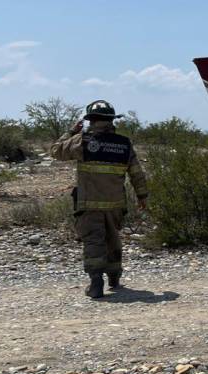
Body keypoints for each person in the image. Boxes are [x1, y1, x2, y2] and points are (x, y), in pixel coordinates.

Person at [51, 100, 148, 299]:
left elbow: (56, 151)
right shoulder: (124, 144)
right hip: (115, 204)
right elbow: (137, 173)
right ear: (111, 120)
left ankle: (96, 283)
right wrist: (142, 196)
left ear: (91, 120)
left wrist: (71, 131)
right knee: (113, 239)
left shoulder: (82, 141)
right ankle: (114, 278)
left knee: (94, 241)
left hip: (89, 204)